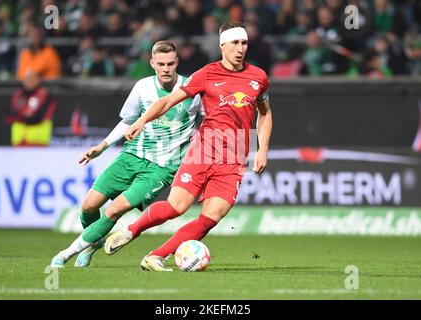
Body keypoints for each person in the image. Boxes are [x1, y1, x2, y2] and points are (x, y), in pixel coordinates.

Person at [105, 21, 272, 271]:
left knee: (211, 217)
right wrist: (141, 120)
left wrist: (263, 149)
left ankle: (155, 256)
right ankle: (132, 230)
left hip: (236, 155)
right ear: (222, 45)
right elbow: (170, 100)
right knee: (176, 207)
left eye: (244, 42)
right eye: (235, 42)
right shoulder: (206, 74)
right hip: (205, 149)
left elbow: (266, 114)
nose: (240, 48)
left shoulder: (258, 77)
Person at [50, 40, 202, 268]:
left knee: (115, 209)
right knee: (89, 206)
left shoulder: (191, 89)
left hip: (161, 168)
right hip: (131, 156)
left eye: (170, 63)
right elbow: (128, 121)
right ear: (152, 63)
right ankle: (92, 243)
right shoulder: (143, 87)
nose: (166, 69)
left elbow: (210, 117)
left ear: (177, 62)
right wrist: (102, 146)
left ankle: (66, 253)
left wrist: (200, 134)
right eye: (161, 64)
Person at [6, 70, 56, 146]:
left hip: (38, 141)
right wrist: (25, 114)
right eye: (27, 79)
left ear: (38, 80)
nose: (29, 81)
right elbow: (12, 115)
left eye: (32, 79)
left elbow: (38, 116)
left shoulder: (45, 95)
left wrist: (23, 115)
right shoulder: (18, 95)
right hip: (19, 141)